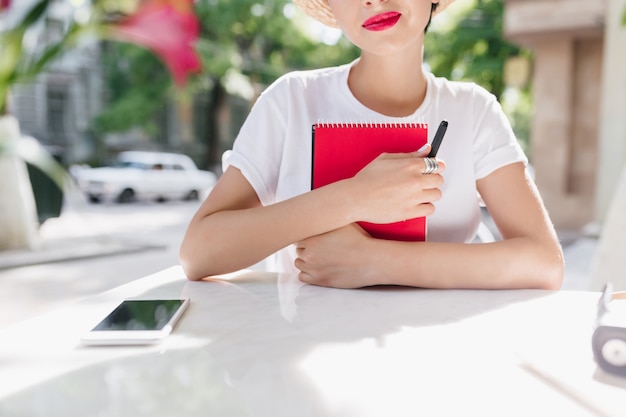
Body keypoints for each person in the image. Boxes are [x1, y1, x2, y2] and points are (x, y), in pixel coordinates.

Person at [180, 0, 564, 290]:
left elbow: (544, 263)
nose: (374, 0)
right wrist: (355, 198)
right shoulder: (291, 100)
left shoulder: (473, 110)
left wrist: (376, 261)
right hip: (304, 351)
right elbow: (199, 254)